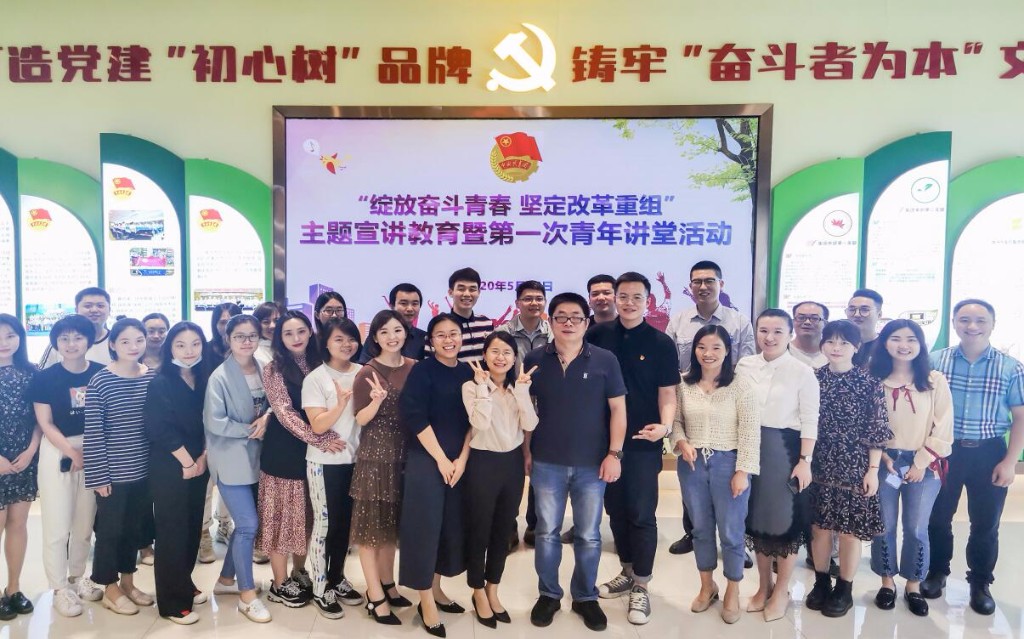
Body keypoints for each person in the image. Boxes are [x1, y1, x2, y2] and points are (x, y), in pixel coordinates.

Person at [525, 293, 626, 633]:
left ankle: (585, 597)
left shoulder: (605, 360)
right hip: (546, 462)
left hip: (591, 464)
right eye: (561, 317)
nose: (568, 323)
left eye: (576, 317)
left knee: (588, 535)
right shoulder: (534, 359)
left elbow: (618, 409)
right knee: (546, 533)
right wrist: (526, 452)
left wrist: (614, 454)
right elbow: (526, 410)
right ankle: (549, 594)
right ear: (549, 320)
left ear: (586, 321)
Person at [586, 272, 679, 626]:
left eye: (636, 297)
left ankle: (641, 583)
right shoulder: (596, 336)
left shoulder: (661, 342)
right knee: (616, 510)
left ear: (648, 301)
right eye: (622, 296)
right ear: (614, 298)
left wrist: (666, 427)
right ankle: (626, 570)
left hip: (642, 441)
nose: (628, 303)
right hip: (603, 441)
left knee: (641, 513)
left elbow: (667, 393)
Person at [922, 299, 1024, 615]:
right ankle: (937, 572)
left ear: (992, 324)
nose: (972, 326)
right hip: (945, 451)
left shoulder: (1010, 367)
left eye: (980, 320)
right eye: (964, 319)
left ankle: (980, 583)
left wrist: (1010, 461)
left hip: (989, 452)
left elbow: (1020, 417)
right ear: (954, 322)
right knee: (938, 516)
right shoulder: (935, 361)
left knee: (986, 523)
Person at [669, 325, 759, 625]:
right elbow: (675, 422)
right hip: (691, 464)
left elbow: (750, 432)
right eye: (702, 347)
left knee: (732, 532)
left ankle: (733, 589)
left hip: (729, 463)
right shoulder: (683, 383)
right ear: (694, 350)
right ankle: (707, 586)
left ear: (727, 351)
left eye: (716, 347)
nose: (708, 353)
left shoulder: (741, 385)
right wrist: (682, 442)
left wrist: (743, 471)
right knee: (700, 529)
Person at [666, 260, 755, 556]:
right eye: (697, 281)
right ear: (690, 286)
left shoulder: (739, 322)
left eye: (709, 281)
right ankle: (693, 533)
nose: (703, 286)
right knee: (691, 474)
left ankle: (735, 545)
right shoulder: (678, 322)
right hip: (690, 399)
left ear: (721, 284)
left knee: (732, 489)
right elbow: (670, 366)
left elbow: (746, 364)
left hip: (728, 403)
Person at [804, 319, 892, 618]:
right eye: (830, 341)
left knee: (849, 532)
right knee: (819, 528)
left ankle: (844, 588)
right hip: (818, 462)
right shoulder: (813, 379)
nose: (836, 347)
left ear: (857, 347)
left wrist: (873, 469)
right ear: (822, 345)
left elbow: (877, 428)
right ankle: (820, 582)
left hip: (855, 465)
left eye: (844, 342)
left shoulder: (869, 382)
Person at [735, 309, 819, 622]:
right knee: (757, 520)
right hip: (748, 447)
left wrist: (805, 461)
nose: (769, 338)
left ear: (789, 334)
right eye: (763, 331)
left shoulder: (802, 371)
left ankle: (782, 589)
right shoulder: (745, 365)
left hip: (784, 450)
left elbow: (810, 419)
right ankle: (763, 586)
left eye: (777, 332)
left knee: (783, 522)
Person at [867, 319, 953, 617]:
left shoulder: (934, 380)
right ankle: (887, 582)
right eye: (896, 338)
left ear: (921, 344)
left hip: (925, 464)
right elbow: (866, 425)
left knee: (916, 528)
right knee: (884, 525)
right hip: (883, 462)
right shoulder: (873, 378)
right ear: (884, 343)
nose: (904, 345)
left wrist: (919, 463)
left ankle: (913, 585)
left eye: (911, 339)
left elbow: (944, 427)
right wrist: (881, 457)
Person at [399, 313, 474, 638]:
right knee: (424, 529)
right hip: (426, 460)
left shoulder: (469, 372)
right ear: (431, 341)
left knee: (448, 528)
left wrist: (462, 460)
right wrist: (442, 459)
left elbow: (476, 419)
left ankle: (438, 588)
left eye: (453, 333)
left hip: (458, 462)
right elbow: (414, 415)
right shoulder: (422, 370)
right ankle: (425, 600)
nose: (448, 339)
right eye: (440, 335)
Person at [261, 311, 343, 608]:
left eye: (301, 331)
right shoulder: (274, 368)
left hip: (314, 454)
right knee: (282, 517)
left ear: (310, 332)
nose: (296, 338)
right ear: (279, 338)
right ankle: (279, 582)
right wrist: (319, 438)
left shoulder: (321, 362)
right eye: (288, 333)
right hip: (283, 452)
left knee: (307, 516)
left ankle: (299, 570)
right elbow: (284, 413)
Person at [30, 314, 105, 617]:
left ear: (89, 340)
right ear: (56, 343)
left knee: (84, 523)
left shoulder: (100, 373)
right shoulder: (45, 377)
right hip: (58, 450)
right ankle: (59, 588)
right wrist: (72, 452)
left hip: (94, 449)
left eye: (77, 337)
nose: (71, 344)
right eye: (64, 338)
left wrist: (88, 451)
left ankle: (77, 576)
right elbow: (45, 423)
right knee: (57, 524)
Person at [462, 332, 538, 627]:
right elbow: (479, 423)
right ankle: (477, 590)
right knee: (479, 530)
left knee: (503, 531)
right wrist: (483, 388)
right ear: (484, 355)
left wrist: (523, 393)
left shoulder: (518, 388)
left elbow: (530, 424)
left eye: (507, 352)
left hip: (512, 464)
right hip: (482, 463)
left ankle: (493, 589)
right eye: (494, 351)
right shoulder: (471, 387)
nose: (501, 357)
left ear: (514, 357)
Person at [83, 318, 157, 616]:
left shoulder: (151, 377)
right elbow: (94, 432)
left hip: (145, 471)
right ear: (112, 344)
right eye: (125, 341)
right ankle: (109, 588)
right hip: (112, 473)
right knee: (110, 532)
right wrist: (99, 476)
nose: (133, 346)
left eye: (139, 340)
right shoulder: (100, 381)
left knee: (135, 530)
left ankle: (128, 582)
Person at [204, 314, 272, 624]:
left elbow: (274, 404)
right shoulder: (219, 377)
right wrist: (250, 429)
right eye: (239, 336)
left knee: (247, 525)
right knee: (247, 525)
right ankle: (247, 595)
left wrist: (266, 418)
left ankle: (226, 580)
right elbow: (214, 421)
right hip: (231, 458)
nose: (246, 341)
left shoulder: (264, 367)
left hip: (259, 457)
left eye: (252, 335)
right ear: (228, 340)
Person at [144, 321, 212, 624]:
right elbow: (158, 428)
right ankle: (172, 603)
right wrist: (187, 462)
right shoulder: (161, 382)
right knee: (172, 531)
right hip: (171, 466)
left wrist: (203, 458)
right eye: (181, 345)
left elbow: (211, 421)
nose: (189, 351)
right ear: (170, 347)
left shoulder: (204, 378)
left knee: (192, 526)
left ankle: (183, 581)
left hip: (200, 462)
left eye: (195, 344)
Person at [351, 310, 416, 626]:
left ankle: (389, 583)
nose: (392, 337)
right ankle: (375, 595)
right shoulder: (367, 372)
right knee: (370, 529)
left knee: (391, 526)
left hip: (407, 455)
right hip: (376, 457)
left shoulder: (414, 367)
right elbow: (360, 418)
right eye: (385, 332)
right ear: (375, 337)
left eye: (397, 330)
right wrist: (376, 401)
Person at [302, 317, 365, 619]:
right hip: (324, 463)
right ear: (326, 343)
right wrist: (339, 405)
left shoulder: (363, 373)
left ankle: (337, 577)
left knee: (344, 525)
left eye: (351, 338)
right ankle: (320, 586)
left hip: (355, 461)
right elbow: (317, 425)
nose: (346, 344)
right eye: (338, 339)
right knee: (325, 526)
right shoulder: (316, 378)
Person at [0, 314, 40, 620]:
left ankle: (13, 588)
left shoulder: (32, 372)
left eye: (10, 335)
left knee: (18, 524)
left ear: (20, 338)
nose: (4, 342)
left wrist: (30, 451)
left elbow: (41, 418)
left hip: (23, 460)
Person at [202, 301, 242, 563]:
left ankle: (224, 525)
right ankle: (203, 533)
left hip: (238, 428)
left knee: (233, 480)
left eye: (232, 320)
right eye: (222, 321)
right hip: (206, 426)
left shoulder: (246, 352)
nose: (226, 326)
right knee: (206, 483)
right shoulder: (205, 351)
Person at [39, 287, 113, 368]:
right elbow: (42, 372)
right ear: (76, 310)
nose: (94, 310)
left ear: (109, 310)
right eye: (88, 306)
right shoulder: (61, 342)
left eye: (100, 306)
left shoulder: (116, 342)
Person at [359, 283, 428, 362]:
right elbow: (365, 364)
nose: (410, 308)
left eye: (415, 304)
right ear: (392, 306)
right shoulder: (379, 336)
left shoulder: (425, 338)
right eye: (403, 303)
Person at [494, 280, 551, 361]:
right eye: (528, 299)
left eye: (539, 299)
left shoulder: (553, 332)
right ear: (517, 303)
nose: (534, 303)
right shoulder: (502, 333)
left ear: (545, 302)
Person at [846, 289, 883, 369]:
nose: (857, 314)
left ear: (879, 314)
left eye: (864, 310)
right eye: (852, 309)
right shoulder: (837, 345)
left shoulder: (885, 346)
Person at [789, 301, 829, 369]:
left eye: (814, 318)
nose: (807, 322)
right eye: (801, 318)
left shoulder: (834, 353)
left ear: (825, 323)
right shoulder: (782, 351)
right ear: (793, 322)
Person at [253, 301, 283, 366]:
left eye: (276, 321)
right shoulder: (254, 353)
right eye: (266, 322)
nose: (272, 326)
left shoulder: (289, 347)